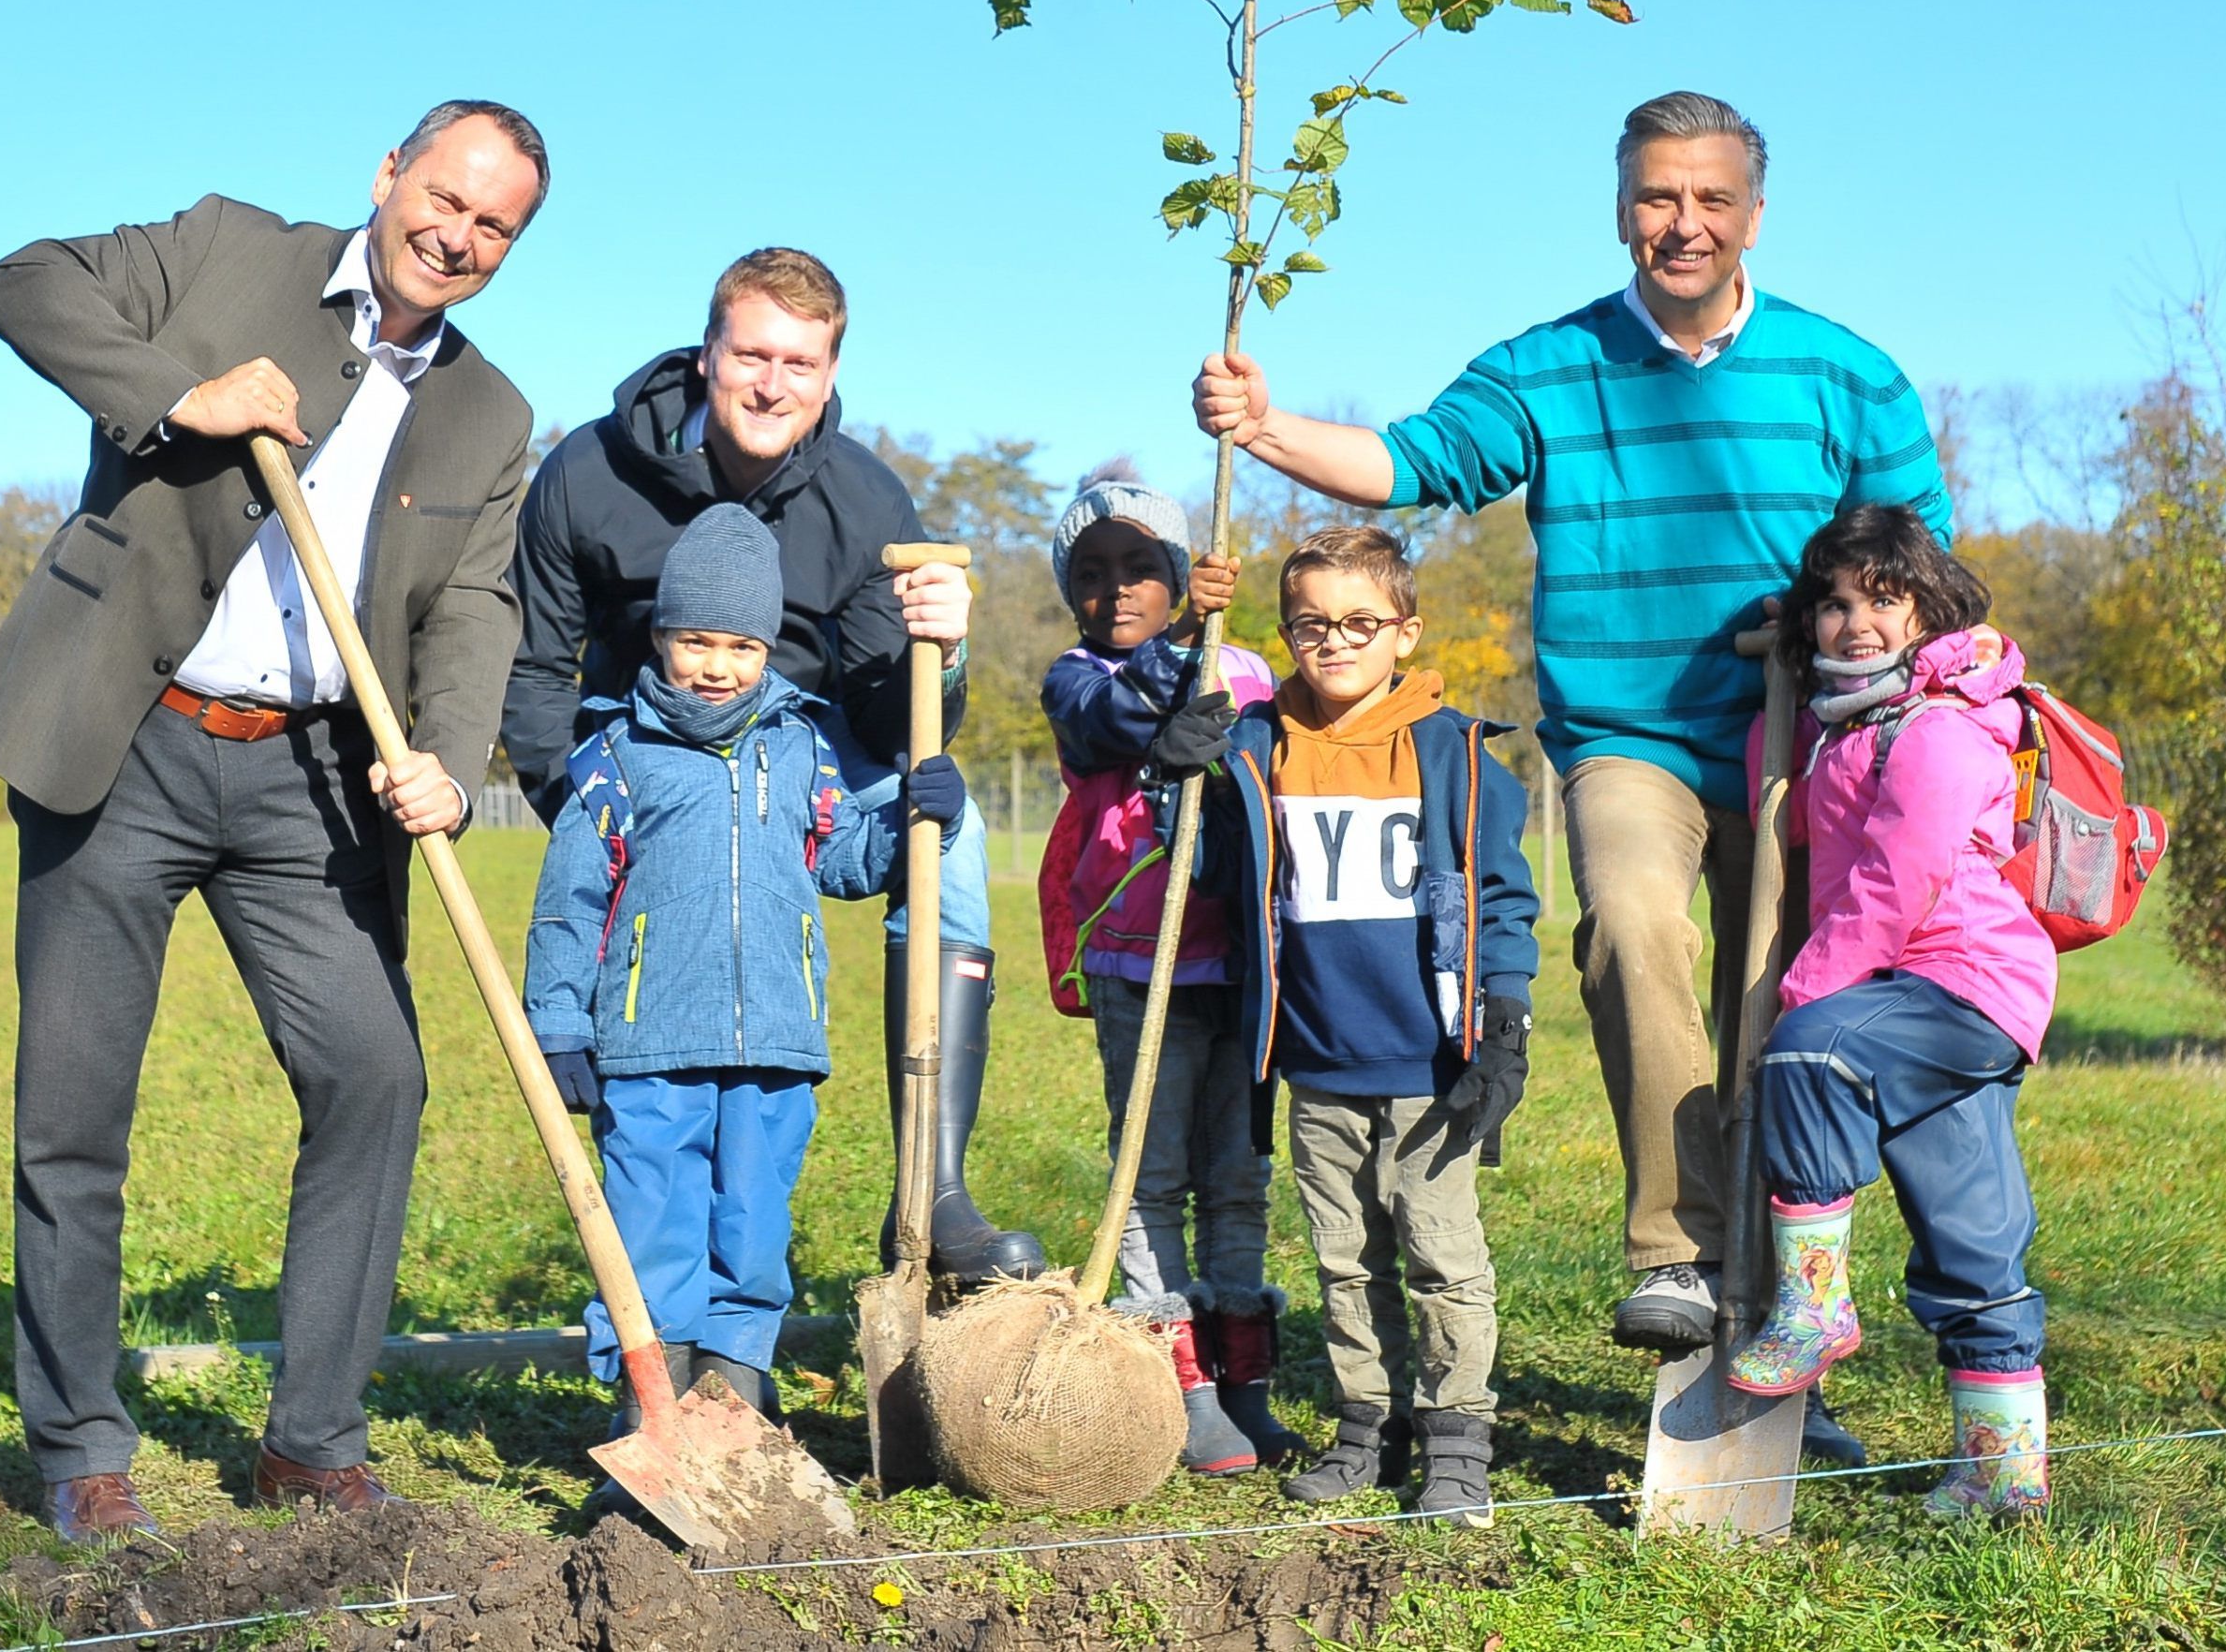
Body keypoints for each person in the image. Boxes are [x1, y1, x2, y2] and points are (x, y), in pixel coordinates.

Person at [1192, 89, 1949, 1444]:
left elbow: (1925, 581)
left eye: (1709, 198)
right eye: (1657, 196)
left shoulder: (1846, 376)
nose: (1682, 221)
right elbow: (1405, 462)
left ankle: (1777, 1348)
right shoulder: (1548, 368)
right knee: (1630, 925)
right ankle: (1673, 1253)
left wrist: (1854, 658)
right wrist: (1263, 426)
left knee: (1777, 1014)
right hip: (1628, 739)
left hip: (1798, 741)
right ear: (1619, 208)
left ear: (1752, 215)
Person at [0, 100, 549, 1543]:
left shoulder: (490, 412)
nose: (455, 235)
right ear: (387, 174)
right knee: (74, 1108)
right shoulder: (225, 250)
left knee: (374, 1077)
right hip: (127, 737)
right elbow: (18, 282)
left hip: (313, 783)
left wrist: (452, 764)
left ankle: (311, 1440)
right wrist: (181, 394)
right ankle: (82, 1442)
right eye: (444, 196)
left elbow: (475, 603)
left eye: (494, 226)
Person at [505, 247, 1044, 1283]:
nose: (770, 383)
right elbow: (533, 661)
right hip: (643, 751)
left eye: (799, 362)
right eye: (751, 353)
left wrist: (950, 647)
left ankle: (930, 1193)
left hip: (801, 748)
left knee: (959, 841)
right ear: (707, 352)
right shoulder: (587, 470)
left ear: (830, 374)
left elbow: (897, 721)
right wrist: (584, 806)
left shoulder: (865, 500)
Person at [521, 506, 956, 1416]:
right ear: (660, 636)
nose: (716, 666)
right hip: (646, 1045)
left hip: (774, 1042)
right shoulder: (615, 757)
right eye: (695, 641)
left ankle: (734, 1394)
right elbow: (570, 900)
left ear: (766, 651)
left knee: (752, 1225)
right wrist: (557, 1019)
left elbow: (842, 862)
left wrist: (915, 818)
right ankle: (651, 1404)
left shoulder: (800, 746)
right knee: (652, 1226)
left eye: (739, 646)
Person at [1200, 526, 1539, 1525]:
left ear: (1404, 628)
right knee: (1343, 1255)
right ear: (1285, 631)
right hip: (1315, 1054)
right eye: (1311, 625)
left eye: (1358, 622)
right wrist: (1188, 775)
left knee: (1439, 1252)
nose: (1334, 642)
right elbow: (1227, 877)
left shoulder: (1452, 751)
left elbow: (1500, 896)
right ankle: (1366, 1423)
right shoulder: (1257, 743)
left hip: (1426, 1058)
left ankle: (1454, 1438)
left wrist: (1502, 1015)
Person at [1725, 504, 2054, 1521]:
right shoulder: (1838, 728)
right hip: (1905, 999)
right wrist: (1774, 707)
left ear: (1925, 604)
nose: (1853, 622)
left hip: (1959, 982)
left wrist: (1801, 994)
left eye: (1881, 597)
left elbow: (1894, 881)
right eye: (1830, 604)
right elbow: (1776, 818)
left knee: (1808, 1057)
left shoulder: (1941, 725)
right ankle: (2000, 1480)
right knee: (1971, 1236)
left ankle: (1812, 1305)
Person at [1031, 465, 1296, 1475]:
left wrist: (1212, 650)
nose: (1117, 590)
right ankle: (1172, 1380)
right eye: (1092, 573)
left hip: (1237, 960)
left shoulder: (1244, 669)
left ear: (1181, 575)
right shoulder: (1077, 675)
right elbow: (1110, 725)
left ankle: (1244, 1375)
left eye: (1142, 567)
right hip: (1136, 958)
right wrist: (1185, 658)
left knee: (1237, 1172)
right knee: (1152, 1172)